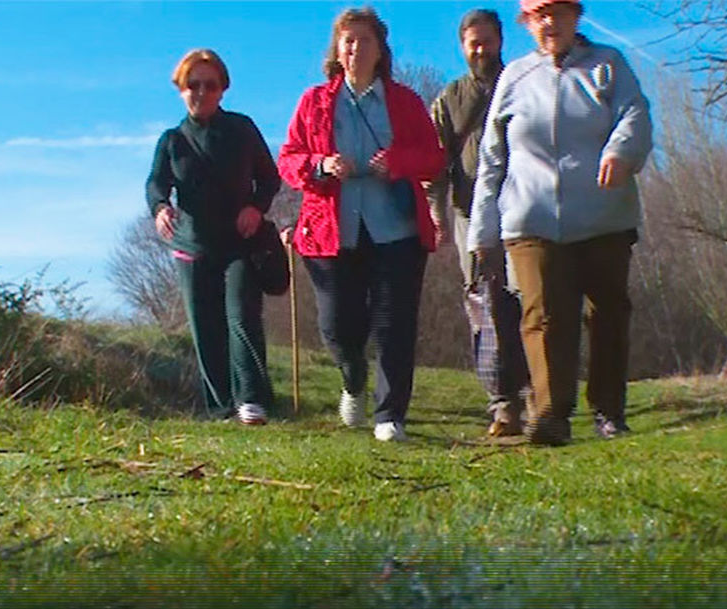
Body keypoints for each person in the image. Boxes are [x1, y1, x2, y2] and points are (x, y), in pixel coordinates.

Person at [467, 0, 652, 445]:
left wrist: (620, 151)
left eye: (560, 12)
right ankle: (551, 414)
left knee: (607, 313)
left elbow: (636, 114)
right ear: (527, 23)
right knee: (544, 316)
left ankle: (608, 410)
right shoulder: (514, 78)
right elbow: (492, 160)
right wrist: (483, 229)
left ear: (576, 16)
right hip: (530, 218)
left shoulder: (608, 65)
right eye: (540, 14)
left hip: (603, 215)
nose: (551, 22)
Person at [278, 7, 444, 442]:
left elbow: (433, 157)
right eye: (347, 40)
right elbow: (289, 159)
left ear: (379, 49)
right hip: (332, 231)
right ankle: (353, 380)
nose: (355, 48)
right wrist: (320, 164)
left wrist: (399, 163)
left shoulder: (404, 101)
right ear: (337, 49)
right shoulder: (314, 101)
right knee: (339, 325)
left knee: (394, 323)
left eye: (364, 40)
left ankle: (390, 416)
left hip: (396, 229)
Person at [146, 48, 281, 425]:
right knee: (205, 327)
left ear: (223, 89)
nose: (201, 92)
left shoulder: (241, 129)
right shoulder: (172, 141)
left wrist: (255, 207)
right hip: (193, 247)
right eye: (192, 85)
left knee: (241, 315)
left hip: (240, 243)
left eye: (209, 85)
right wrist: (160, 208)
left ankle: (251, 399)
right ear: (180, 90)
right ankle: (219, 406)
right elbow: (156, 184)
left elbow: (270, 178)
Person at [427, 8, 530, 438]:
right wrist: (436, 213)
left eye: (487, 40)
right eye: (473, 43)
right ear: (463, 47)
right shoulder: (451, 98)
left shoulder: (524, 84)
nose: (481, 49)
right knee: (484, 306)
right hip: (471, 213)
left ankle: (536, 392)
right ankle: (502, 403)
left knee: (529, 301)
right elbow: (436, 163)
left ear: (500, 40)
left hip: (525, 208)